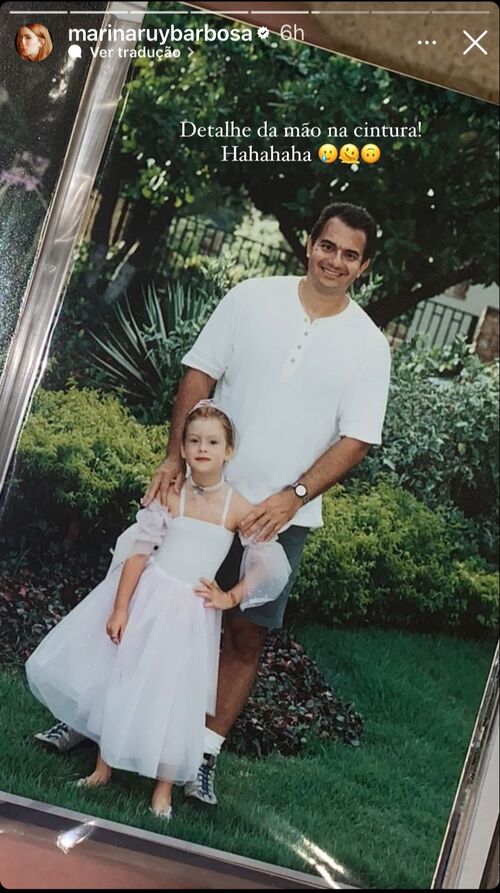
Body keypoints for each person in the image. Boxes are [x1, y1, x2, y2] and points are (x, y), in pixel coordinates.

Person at [34, 201, 392, 809]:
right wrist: (176, 457)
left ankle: (201, 758)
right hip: (201, 491)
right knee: (141, 600)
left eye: (350, 254)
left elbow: (356, 438)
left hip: (274, 518)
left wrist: (293, 496)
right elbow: (199, 375)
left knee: (245, 637)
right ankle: (94, 721)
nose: (335, 261)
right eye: (327, 246)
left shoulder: (368, 346)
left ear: (363, 266)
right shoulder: (252, 298)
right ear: (309, 243)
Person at [26, 402, 291, 819]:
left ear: (229, 451)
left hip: (191, 614)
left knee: (176, 693)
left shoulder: (237, 506)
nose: (203, 448)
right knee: (125, 675)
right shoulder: (173, 494)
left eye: (213, 442)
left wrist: (230, 596)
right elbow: (138, 552)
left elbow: (269, 563)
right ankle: (103, 768)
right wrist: (120, 608)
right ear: (183, 449)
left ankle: (162, 790)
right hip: (151, 597)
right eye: (194, 441)